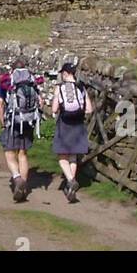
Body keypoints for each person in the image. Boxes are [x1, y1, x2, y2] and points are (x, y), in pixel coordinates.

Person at [0, 58, 42, 201]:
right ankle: (24, 186)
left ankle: (17, 179)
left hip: (12, 122)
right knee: (23, 154)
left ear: (12, 70)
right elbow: (40, 102)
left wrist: (3, 122)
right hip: (28, 121)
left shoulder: (7, 83)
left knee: (9, 153)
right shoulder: (32, 82)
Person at [50, 62, 91, 203]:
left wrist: (56, 101)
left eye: (62, 73)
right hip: (78, 124)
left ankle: (71, 180)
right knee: (73, 156)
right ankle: (71, 188)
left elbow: (54, 109)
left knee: (62, 157)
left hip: (65, 124)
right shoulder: (81, 87)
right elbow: (89, 109)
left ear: (66, 73)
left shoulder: (59, 88)